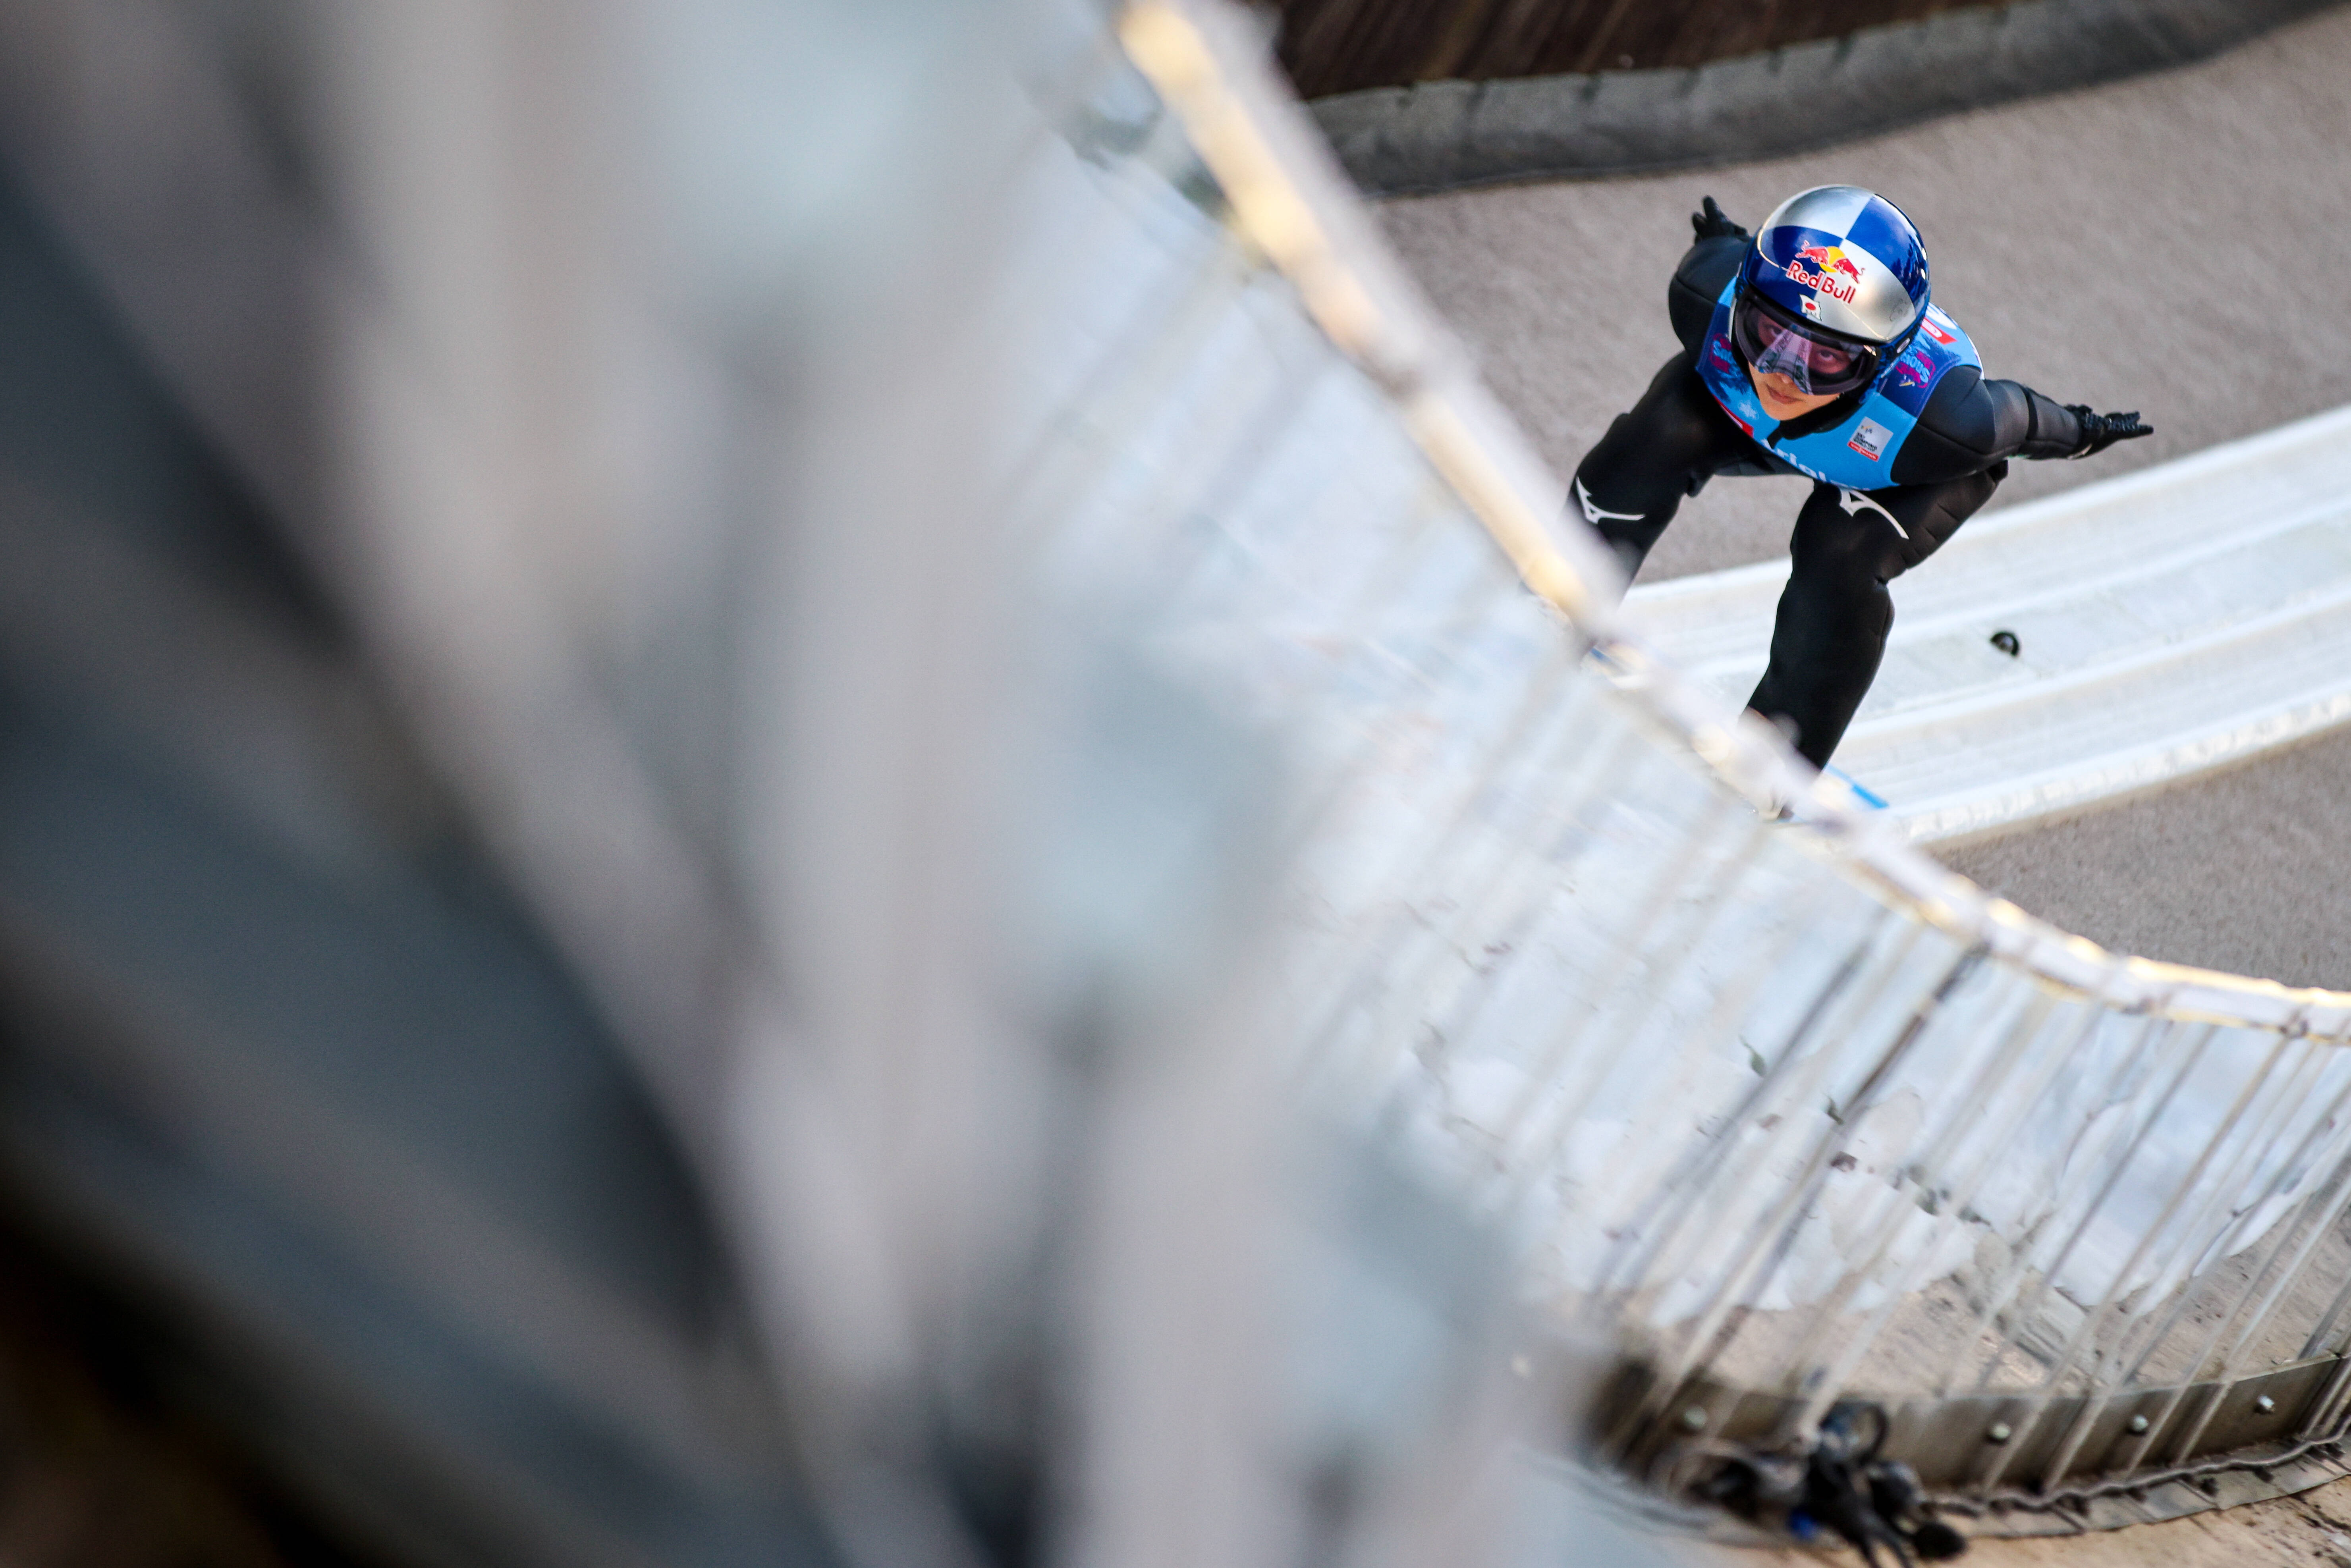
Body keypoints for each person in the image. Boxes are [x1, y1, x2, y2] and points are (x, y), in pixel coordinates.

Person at [1571, 186, 2150, 769]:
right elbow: (1731, 253)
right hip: (1797, 424)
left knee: (1841, 553)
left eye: (1824, 358)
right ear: (1742, 303)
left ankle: (1777, 759)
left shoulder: (1947, 423)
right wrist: (1725, 238)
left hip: (1897, 466)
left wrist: (2084, 430)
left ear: (1882, 362)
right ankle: (1560, 604)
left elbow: (2023, 421)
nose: (1781, 376)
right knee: (1666, 429)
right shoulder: (1707, 296)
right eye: (1771, 333)